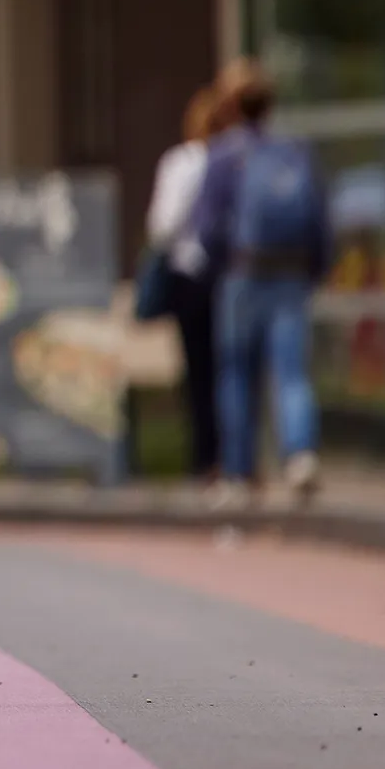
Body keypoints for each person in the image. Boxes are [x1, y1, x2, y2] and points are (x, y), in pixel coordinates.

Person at [188, 64, 331, 505]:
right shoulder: (294, 152)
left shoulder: (223, 156)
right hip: (289, 276)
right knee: (292, 373)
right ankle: (300, 454)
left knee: (236, 374)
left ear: (229, 105)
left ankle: (238, 471)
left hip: (242, 275)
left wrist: (223, 269)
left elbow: (205, 228)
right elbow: (320, 221)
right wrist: (313, 271)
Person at [136, 70, 235, 480]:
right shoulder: (235, 160)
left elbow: (163, 225)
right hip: (230, 274)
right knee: (231, 368)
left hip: (190, 274)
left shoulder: (183, 163)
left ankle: (204, 458)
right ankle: (235, 456)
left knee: (198, 371)